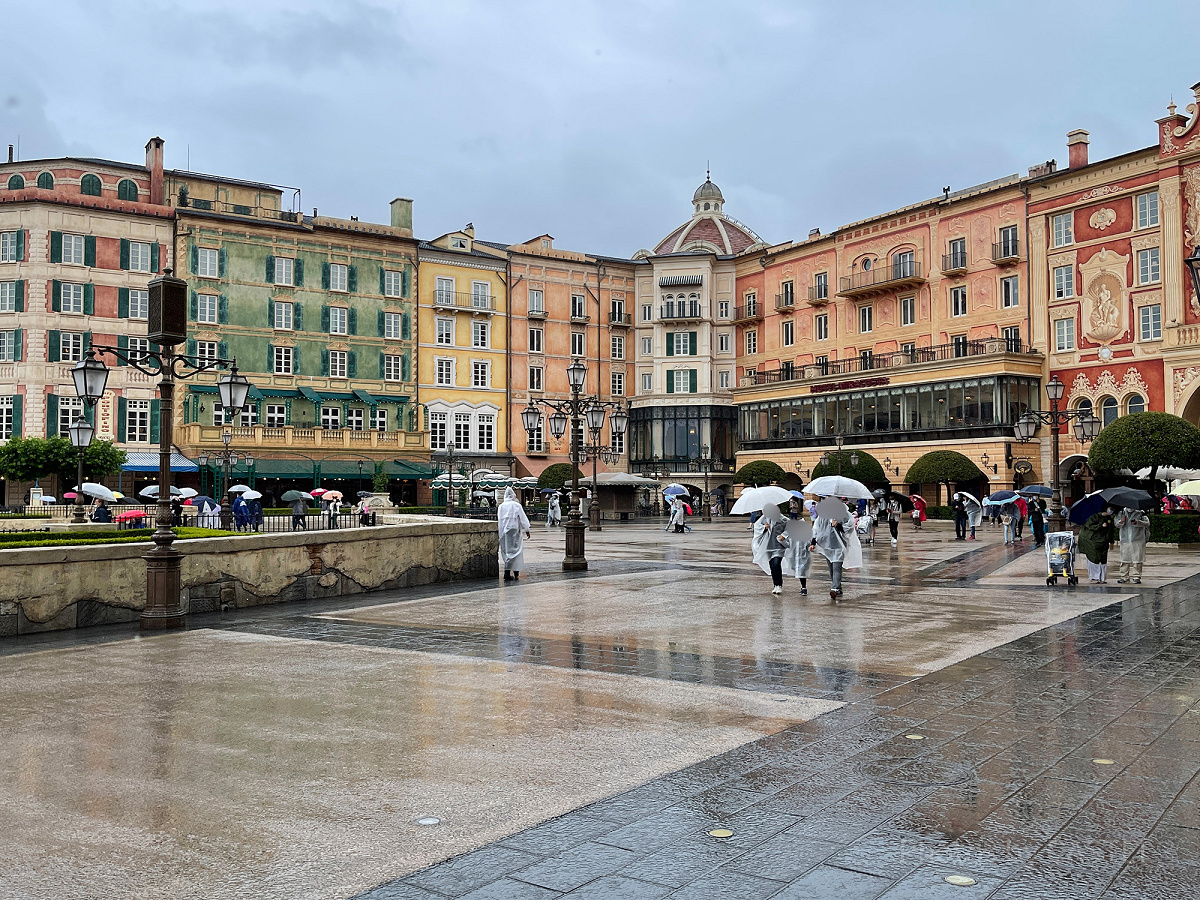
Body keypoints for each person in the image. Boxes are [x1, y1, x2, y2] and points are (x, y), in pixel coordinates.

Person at [811, 506, 862, 601]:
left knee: (836, 567)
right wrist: (813, 542)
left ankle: (834, 588)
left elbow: (850, 526)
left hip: (839, 546)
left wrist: (838, 525)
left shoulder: (843, 513)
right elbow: (816, 528)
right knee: (831, 568)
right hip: (828, 546)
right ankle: (838, 587)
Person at [753, 504, 791, 595]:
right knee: (772, 566)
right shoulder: (765, 518)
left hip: (778, 546)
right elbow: (757, 526)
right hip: (768, 546)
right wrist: (764, 528)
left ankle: (779, 584)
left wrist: (784, 535)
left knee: (776, 563)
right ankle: (776, 584)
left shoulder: (783, 519)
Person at [497, 486, 532, 581]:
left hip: (504, 533)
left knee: (507, 551)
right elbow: (523, 519)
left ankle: (507, 572)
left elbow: (499, 521)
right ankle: (516, 572)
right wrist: (527, 530)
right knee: (517, 551)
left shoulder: (501, 506)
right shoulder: (516, 505)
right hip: (515, 532)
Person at [1079, 506, 1116, 584]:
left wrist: (1111, 541)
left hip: (1104, 542)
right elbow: (1089, 526)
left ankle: (1102, 578)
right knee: (1093, 558)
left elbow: (1110, 531)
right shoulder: (1094, 517)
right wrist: (1100, 526)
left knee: (1103, 560)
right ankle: (1094, 577)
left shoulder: (1109, 519)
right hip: (1093, 542)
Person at [1114, 506, 1150, 584]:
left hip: (1137, 540)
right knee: (1124, 559)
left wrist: (1138, 522)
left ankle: (1136, 576)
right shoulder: (1121, 513)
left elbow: (1147, 523)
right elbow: (1116, 524)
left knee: (1137, 559)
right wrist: (1121, 521)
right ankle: (1124, 576)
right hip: (1125, 539)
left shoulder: (1141, 513)